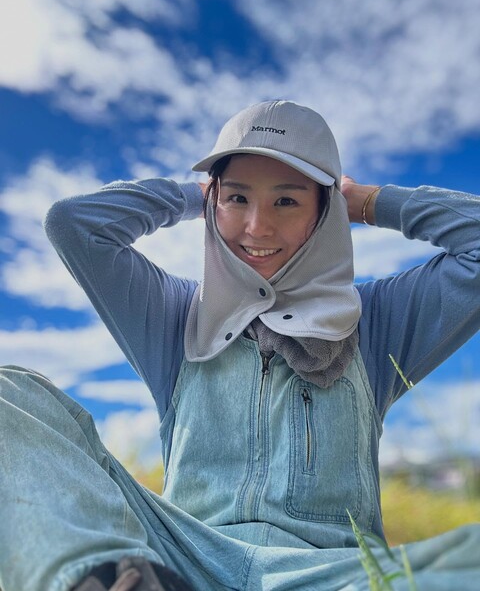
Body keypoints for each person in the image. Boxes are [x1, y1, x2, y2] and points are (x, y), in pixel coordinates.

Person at [1, 100, 479, 591]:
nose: (257, 227)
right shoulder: (174, 316)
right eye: (237, 198)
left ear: (325, 211)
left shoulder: (376, 321)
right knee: (10, 392)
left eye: (286, 201)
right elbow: (74, 224)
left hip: (330, 575)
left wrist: (368, 201)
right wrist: (193, 197)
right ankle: (104, 578)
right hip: (181, 562)